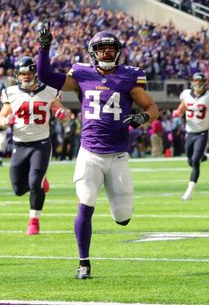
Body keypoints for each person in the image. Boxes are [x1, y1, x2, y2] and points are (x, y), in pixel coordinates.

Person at [37, 23, 160, 280]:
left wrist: (143, 118)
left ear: (118, 52)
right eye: (101, 49)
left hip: (117, 155)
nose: (105, 53)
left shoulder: (128, 77)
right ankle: (84, 262)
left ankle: (118, 212)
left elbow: (152, 107)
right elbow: (46, 76)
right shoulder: (81, 75)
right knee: (86, 203)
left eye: (109, 49)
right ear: (93, 52)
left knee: (123, 217)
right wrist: (44, 48)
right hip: (89, 153)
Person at [0, 56, 68, 235]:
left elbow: (62, 111)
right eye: (22, 74)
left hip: (41, 143)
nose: (25, 77)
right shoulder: (11, 92)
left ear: (35, 73)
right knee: (18, 189)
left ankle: (34, 221)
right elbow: (1, 118)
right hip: (19, 144)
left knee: (35, 183)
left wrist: (62, 114)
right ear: (17, 75)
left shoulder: (49, 91)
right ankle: (40, 182)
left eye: (28, 73)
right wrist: (6, 121)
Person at [172, 72, 209, 201]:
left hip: (202, 132)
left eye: (200, 81)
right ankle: (208, 157)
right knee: (190, 161)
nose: (198, 83)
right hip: (189, 132)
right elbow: (182, 108)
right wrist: (178, 112)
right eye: (196, 81)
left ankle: (189, 193)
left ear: (205, 83)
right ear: (192, 82)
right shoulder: (185, 94)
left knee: (195, 161)